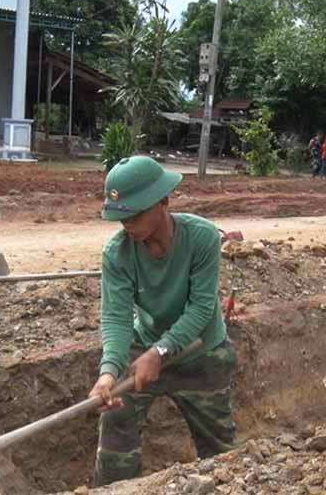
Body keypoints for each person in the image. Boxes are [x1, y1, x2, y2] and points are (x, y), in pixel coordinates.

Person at [90, 155, 237, 486]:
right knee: (116, 427)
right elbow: (115, 317)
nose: (127, 223)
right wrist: (109, 371)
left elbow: (201, 309)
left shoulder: (201, 238)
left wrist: (161, 352)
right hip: (147, 348)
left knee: (222, 455)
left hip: (201, 354)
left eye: (135, 213)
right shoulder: (117, 254)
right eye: (121, 216)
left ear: (163, 202)